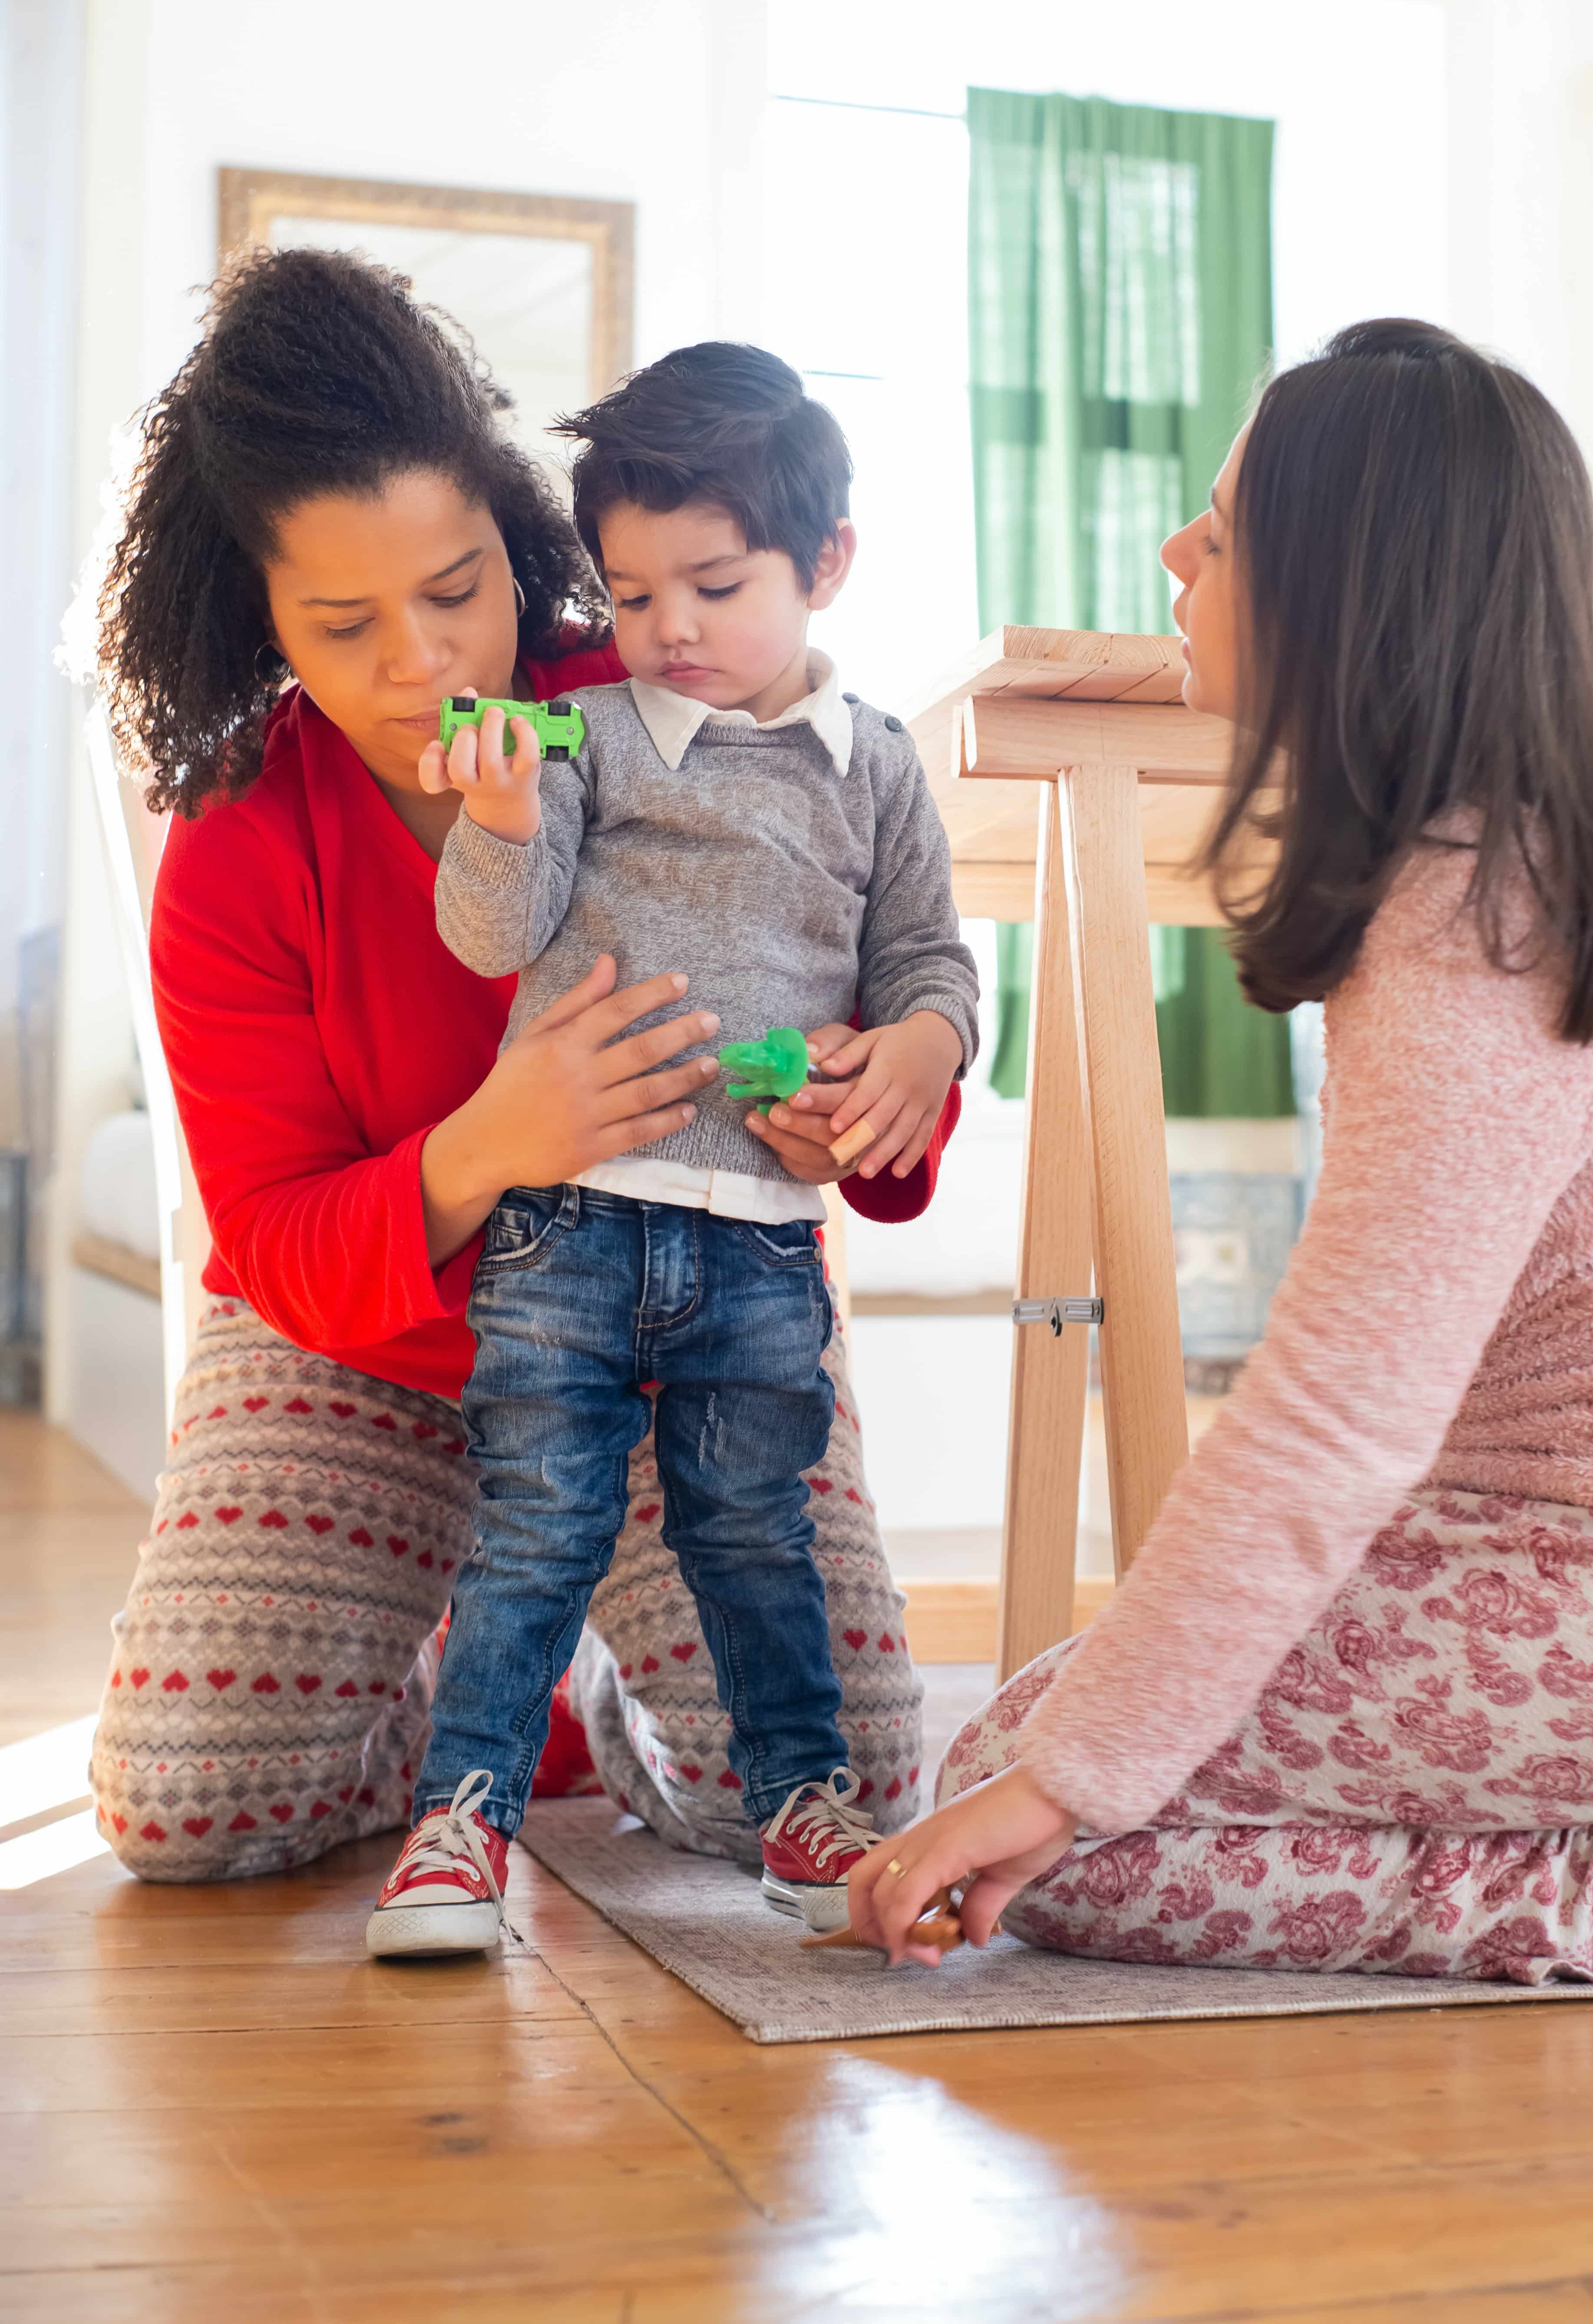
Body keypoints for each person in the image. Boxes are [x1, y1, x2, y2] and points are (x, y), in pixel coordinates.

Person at [851, 319, 1593, 1986]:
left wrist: (1070, 1777)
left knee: (1030, 1809)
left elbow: (1339, 1412)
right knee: (1059, 1748)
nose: (1177, 552)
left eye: (1225, 529)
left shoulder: (1487, 915)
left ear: (1352, 590)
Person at [86, 249, 952, 1881]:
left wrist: (851, 1095)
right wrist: (489, 1144)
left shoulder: (644, 694)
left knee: (833, 1788)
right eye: (344, 623)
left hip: (675, 1334)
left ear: (520, 541)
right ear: (255, 613)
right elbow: (266, 1237)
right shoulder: (240, 842)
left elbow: (841, 986)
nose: (427, 665)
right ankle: (449, 1672)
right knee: (186, 1809)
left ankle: (582, 1688)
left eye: (461, 586)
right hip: (373, 1348)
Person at [367, 346, 977, 1955]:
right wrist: (497, 820)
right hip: (567, 1228)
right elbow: (495, 937)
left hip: (761, 1239)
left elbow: (930, 965)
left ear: (825, 560)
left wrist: (919, 1048)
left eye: (713, 585)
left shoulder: (881, 765)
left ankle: (800, 1797)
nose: (670, 633)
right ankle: (463, 1821)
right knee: (536, 1523)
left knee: (752, 1527)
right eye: (633, 597)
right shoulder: (582, 733)